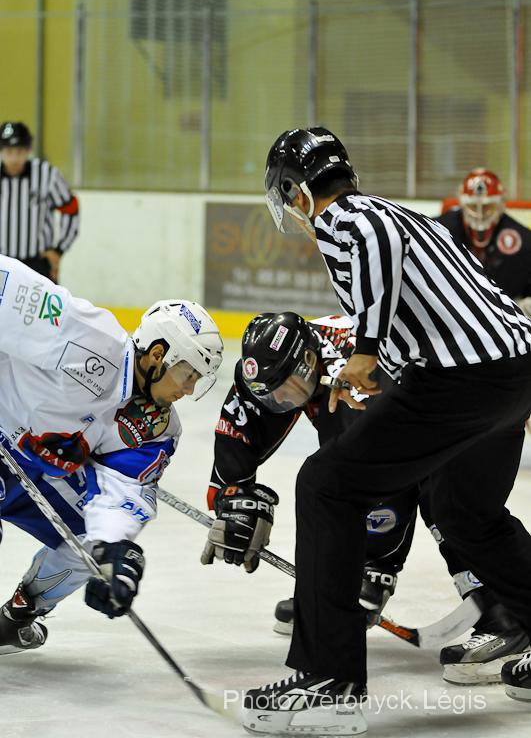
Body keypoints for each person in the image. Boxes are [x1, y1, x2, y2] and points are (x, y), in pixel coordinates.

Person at [234, 126, 531, 735]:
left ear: (297, 192)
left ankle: (330, 681)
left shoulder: (349, 218)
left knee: (326, 485)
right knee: (465, 510)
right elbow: (434, 307)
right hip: (514, 371)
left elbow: (373, 247)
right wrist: (372, 372)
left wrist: (364, 351)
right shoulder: (408, 216)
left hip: (463, 378)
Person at [203, 311, 529, 686]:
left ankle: (505, 614)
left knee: (453, 502)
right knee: (350, 482)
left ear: (309, 361)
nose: (280, 400)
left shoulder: (357, 381)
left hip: (476, 388)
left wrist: (376, 567)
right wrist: (234, 497)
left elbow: (389, 477)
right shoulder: (279, 366)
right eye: (271, 393)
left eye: (286, 388)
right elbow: (243, 422)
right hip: (480, 376)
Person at [0, 254, 223, 652]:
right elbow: (6, 285)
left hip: (33, 469)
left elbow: (124, 491)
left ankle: (17, 615)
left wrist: (114, 549)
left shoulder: (158, 429)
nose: (189, 390)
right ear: (158, 355)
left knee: (92, 545)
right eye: (188, 374)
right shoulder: (86, 335)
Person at [438, 168, 531, 317]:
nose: (480, 213)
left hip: (504, 316)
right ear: (462, 203)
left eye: (488, 206)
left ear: (501, 203)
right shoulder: (439, 229)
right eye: (473, 206)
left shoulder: (523, 238)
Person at [0, 121, 80, 281]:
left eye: (20, 152)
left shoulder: (47, 174)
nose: (14, 159)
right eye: (9, 152)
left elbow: (71, 209)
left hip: (38, 262)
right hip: (2, 262)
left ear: (28, 150)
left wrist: (58, 250)